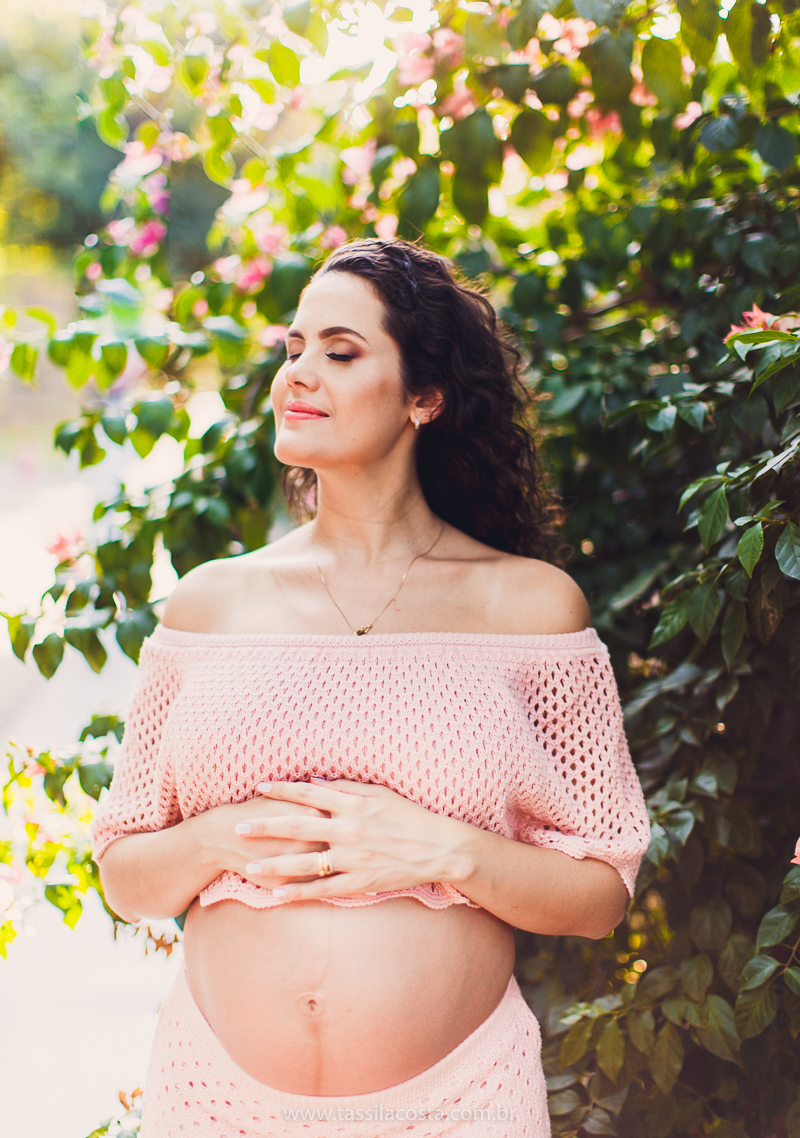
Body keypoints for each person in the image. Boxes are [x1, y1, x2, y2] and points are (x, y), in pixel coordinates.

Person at [91, 238, 650, 1138]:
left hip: (458, 1104)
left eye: (339, 353)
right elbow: (125, 871)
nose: (297, 376)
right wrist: (226, 834)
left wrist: (440, 851)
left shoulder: (529, 609)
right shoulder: (210, 604)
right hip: (217, 1100)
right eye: (293, 349)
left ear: (425, 396)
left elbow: (600, 891)